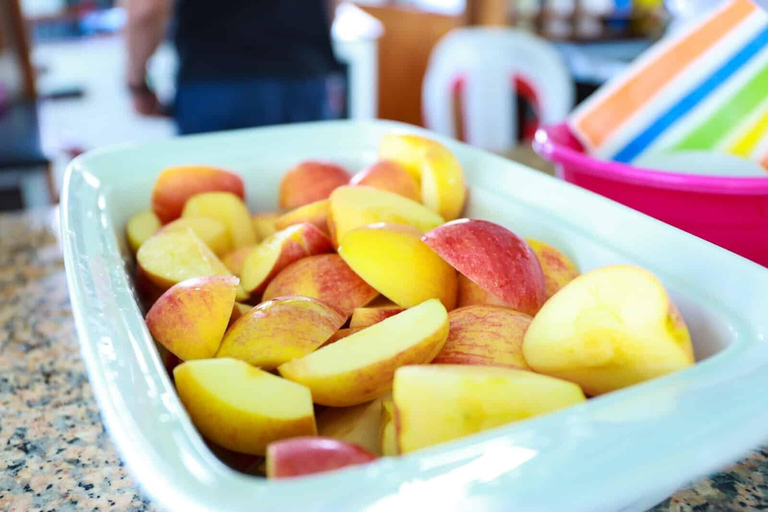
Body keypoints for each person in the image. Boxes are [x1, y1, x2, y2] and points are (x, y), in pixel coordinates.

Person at [125, 0, 341, 134]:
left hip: (217, 87)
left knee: (209, 202)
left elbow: (146, 9)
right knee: (307, 202)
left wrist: (137, 82)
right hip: (306, 79)